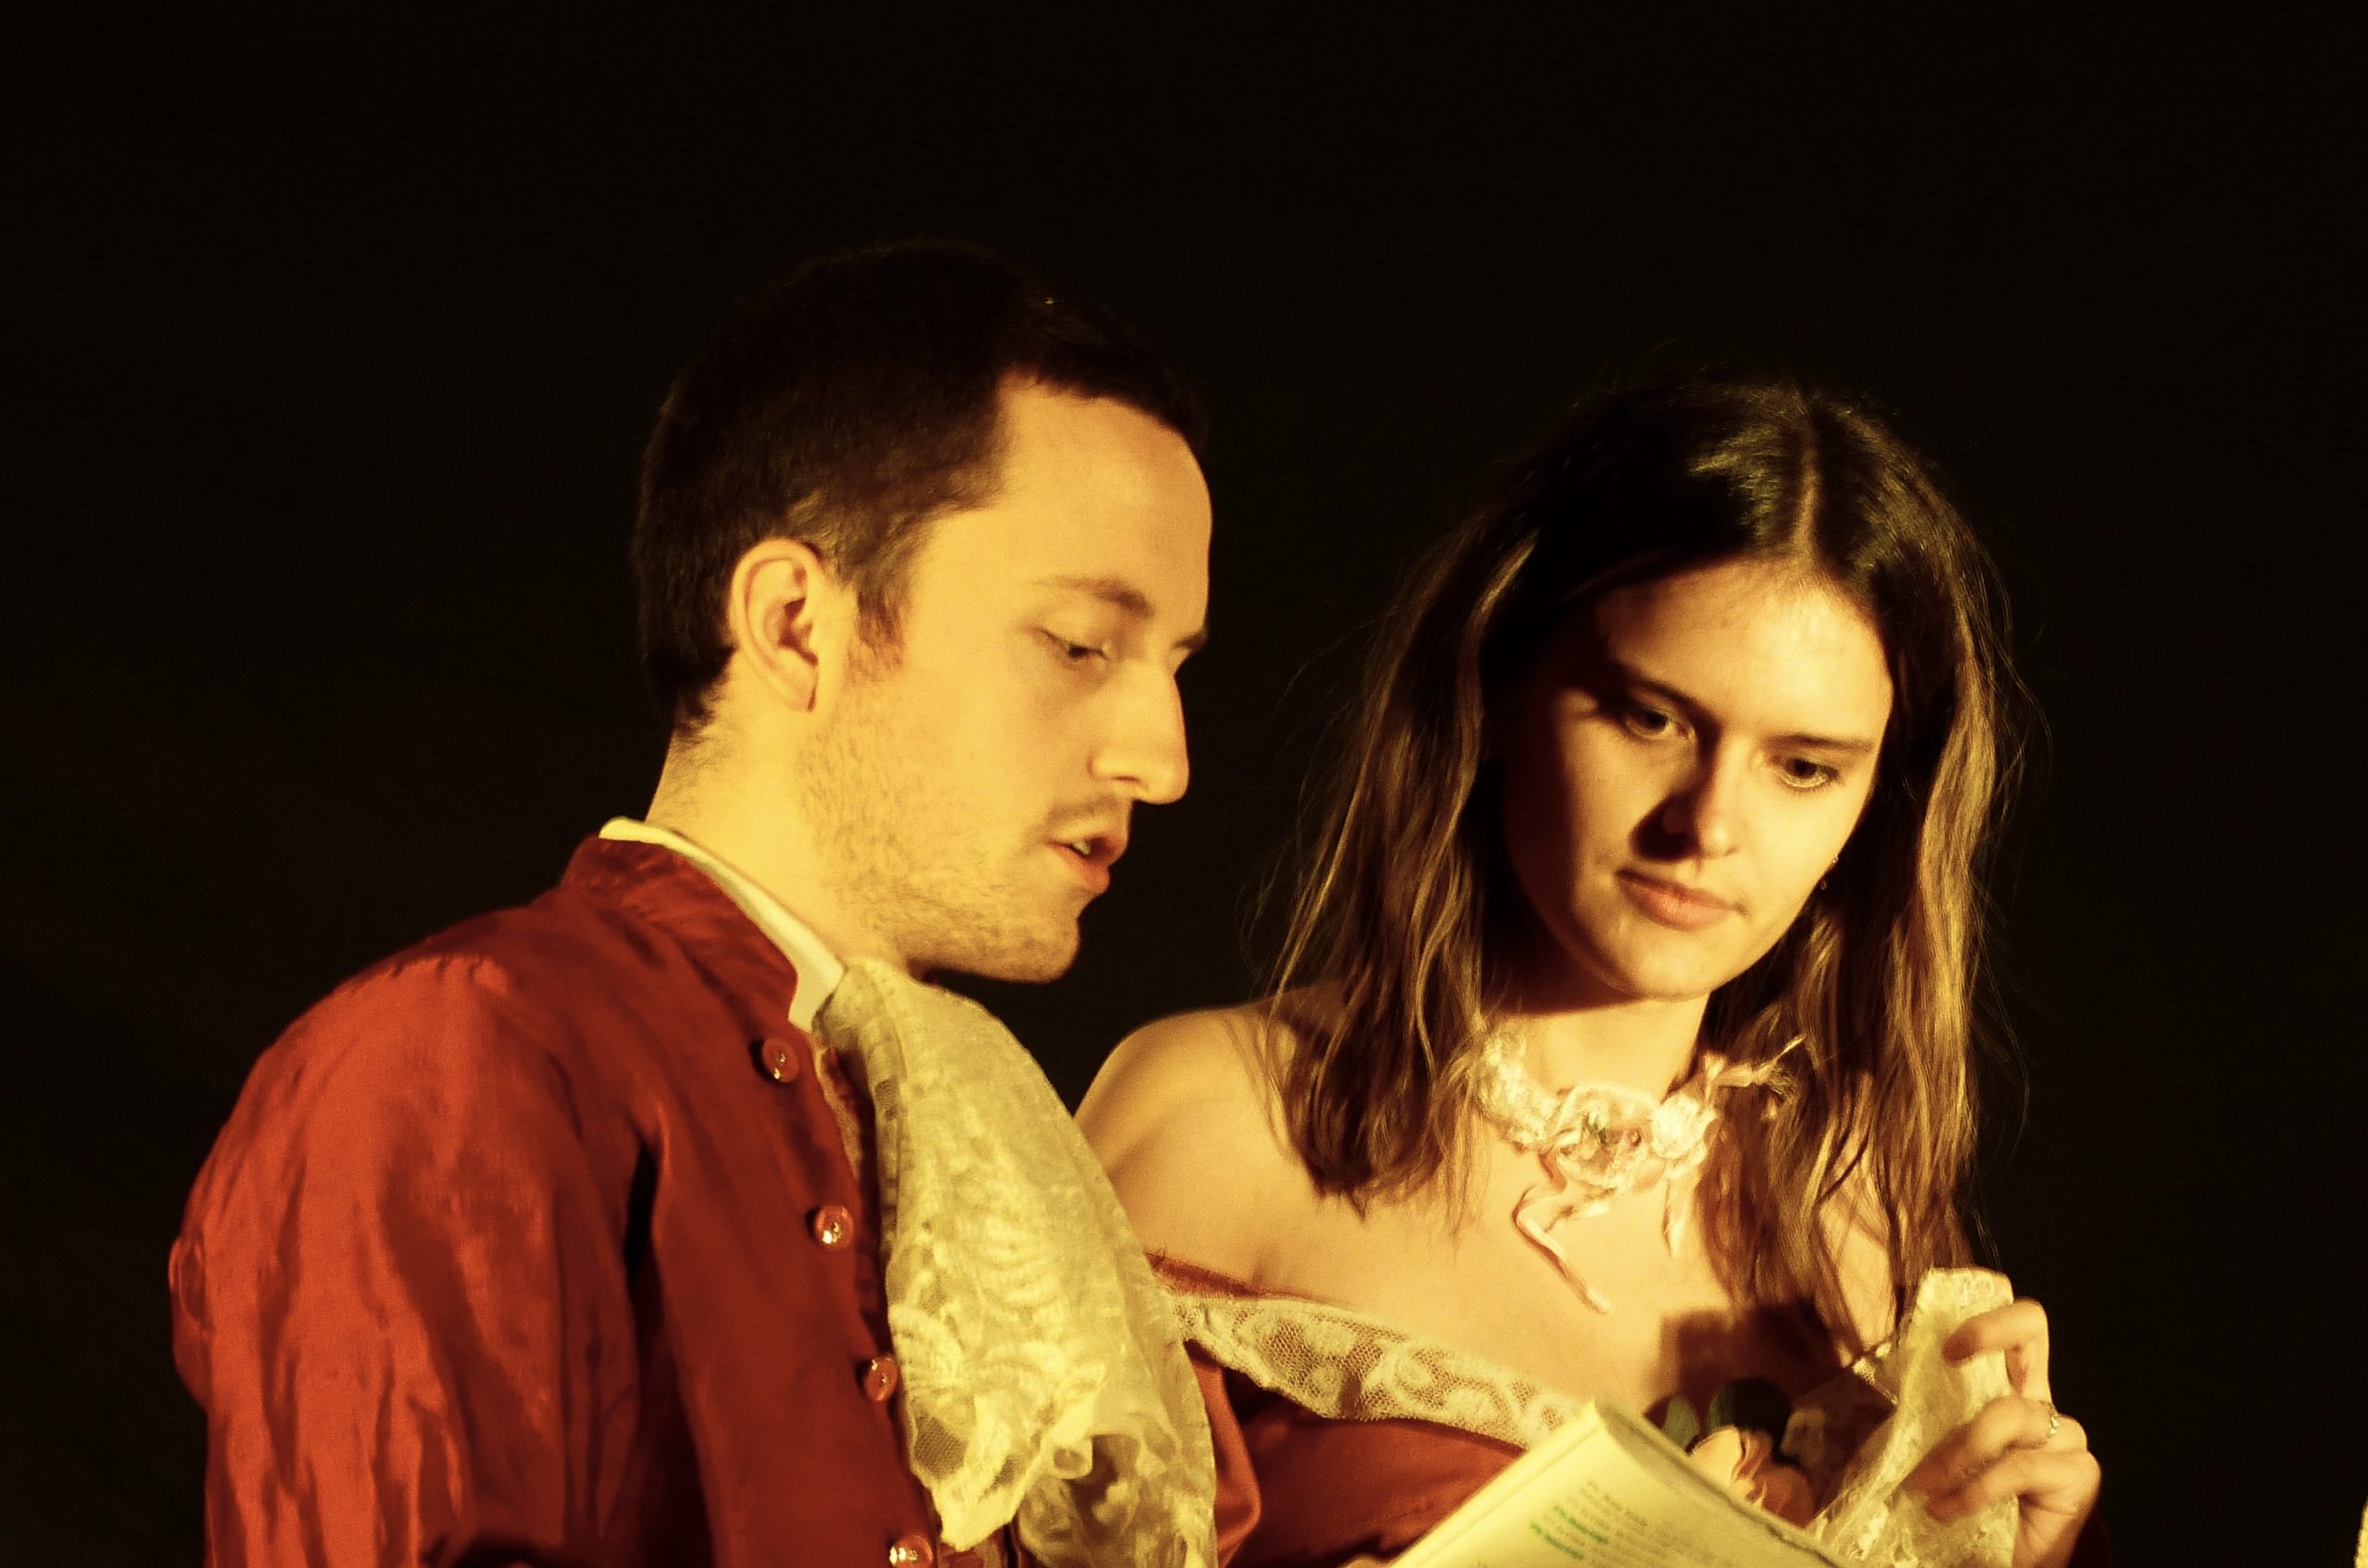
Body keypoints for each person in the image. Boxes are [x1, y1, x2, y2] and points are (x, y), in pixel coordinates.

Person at [170, 241, 1220, 1568]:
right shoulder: (457, 1050)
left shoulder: (992, 1136)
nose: (1164, 759)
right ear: (794, 624)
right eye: (1078, 644)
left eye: (1176, 665)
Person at [1079, 377, 2105, 1566]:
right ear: (1498, 687)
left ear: (1875, 805)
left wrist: (2024, 1557)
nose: (1706, 825)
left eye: (1803, 767)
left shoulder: (1857, 1212)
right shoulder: (1215, 1119)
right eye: (1649, 718)